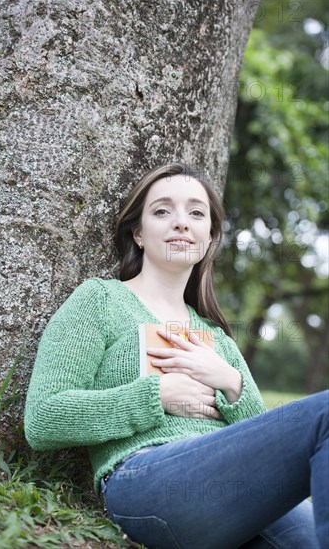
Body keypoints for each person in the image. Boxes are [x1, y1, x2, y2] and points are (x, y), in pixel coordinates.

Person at [24, 163, 328, 549]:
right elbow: (43, 419)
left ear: (210, 237)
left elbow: (263, 446)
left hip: (235, 499)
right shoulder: (100, 301)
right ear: (138, 232)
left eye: (196, 213)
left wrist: (231, 383)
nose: (182, 223)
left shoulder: (218, 338)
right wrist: (156, 396)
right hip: (146, 481)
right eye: (163, 210)